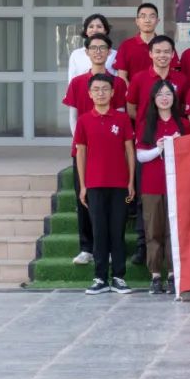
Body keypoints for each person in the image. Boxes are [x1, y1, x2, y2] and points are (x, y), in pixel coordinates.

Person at [63, 34, 127, 267]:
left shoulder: (117, 83)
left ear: (109, 53)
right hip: (83, 148)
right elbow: (73, 117)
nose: (98, 52)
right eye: (93, 48)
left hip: (110, 150)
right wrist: (81, 142)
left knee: (111, 203)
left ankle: (109, 249)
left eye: (103, 48)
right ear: (87, 52)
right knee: (84, 199)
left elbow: (121, 115)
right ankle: (86, 248)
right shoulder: (77, 82)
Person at [73, 74, 135, 295]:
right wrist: (83, 185)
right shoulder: (84, 120)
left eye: (105, 89)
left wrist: (131, 181)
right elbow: (81, 153)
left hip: (119, 185)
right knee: (99, 232)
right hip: (94, 185)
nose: (101, 93)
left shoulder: (122, 119)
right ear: (90, 94)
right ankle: (100, 278)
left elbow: (130, 151)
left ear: (113, 92)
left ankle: (119, 277)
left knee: (117, 231)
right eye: (96, 89)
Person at [135, 81, 190, 295]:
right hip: (152, 185)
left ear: (174, 98)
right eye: (160, 94)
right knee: (153, 230)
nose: (165, 98)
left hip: (177, 185)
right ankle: (155, 274)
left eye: (168, 94)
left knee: (173, 230)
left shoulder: (183, 123)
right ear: (153, 99)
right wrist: (158, 149)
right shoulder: (146, 124)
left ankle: (173, 274)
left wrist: (178, 144)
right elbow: (141, 156)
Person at [126, 36, 186, 123]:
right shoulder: (138, 78)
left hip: (173, 129)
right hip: (145, 130)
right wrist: (145, 123)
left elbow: (183, 107)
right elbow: (131, 109)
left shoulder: (181, 79)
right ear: (150, 54)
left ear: (173, 54)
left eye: (166, 52)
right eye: (158, 52)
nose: (162, 55)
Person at [115, 2, 161, 84]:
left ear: (157, 21)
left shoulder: (165, 45)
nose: (147, 20)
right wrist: (132, 91)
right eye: (143, 16)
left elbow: (173, 73)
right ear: (137, 21)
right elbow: (122, 76)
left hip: (161, 92)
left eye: (152, 16)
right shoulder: (126, 46)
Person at [67, 13, 116, 82]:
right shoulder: (76, 54)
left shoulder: (115, 54)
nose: (95, 30)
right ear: (86, 31)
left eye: (99, 26)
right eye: (91, 27)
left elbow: (118, 79)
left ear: (105, 30)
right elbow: (72, 80)